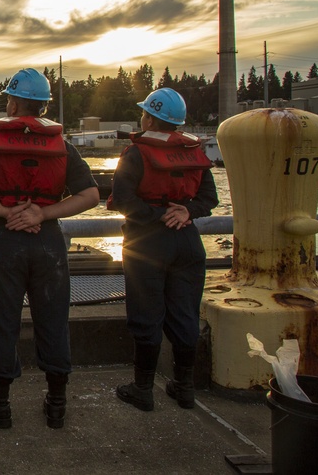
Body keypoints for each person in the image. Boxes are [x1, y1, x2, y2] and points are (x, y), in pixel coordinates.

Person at [0, 68, 99, 431]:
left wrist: (8, 213)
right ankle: (56, 405)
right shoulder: (62, 146)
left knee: (2, 321)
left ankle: (1, 406)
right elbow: (91, 194)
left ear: (15, 102)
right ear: (44, 106)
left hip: (7, 240)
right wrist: (43, 213)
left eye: (9, 98)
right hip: (48, 241)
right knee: (53, 321)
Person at [109, 88, 218, 412]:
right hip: (187, 240)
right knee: (185, 316)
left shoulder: (136, 153)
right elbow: (209, 199)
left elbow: (124, 200)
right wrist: (185, 211)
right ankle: (184, 388)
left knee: (146, 316)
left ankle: (143, 389)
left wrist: (158, 216)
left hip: (147, 241)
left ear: (149, 117)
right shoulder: (194, 151)